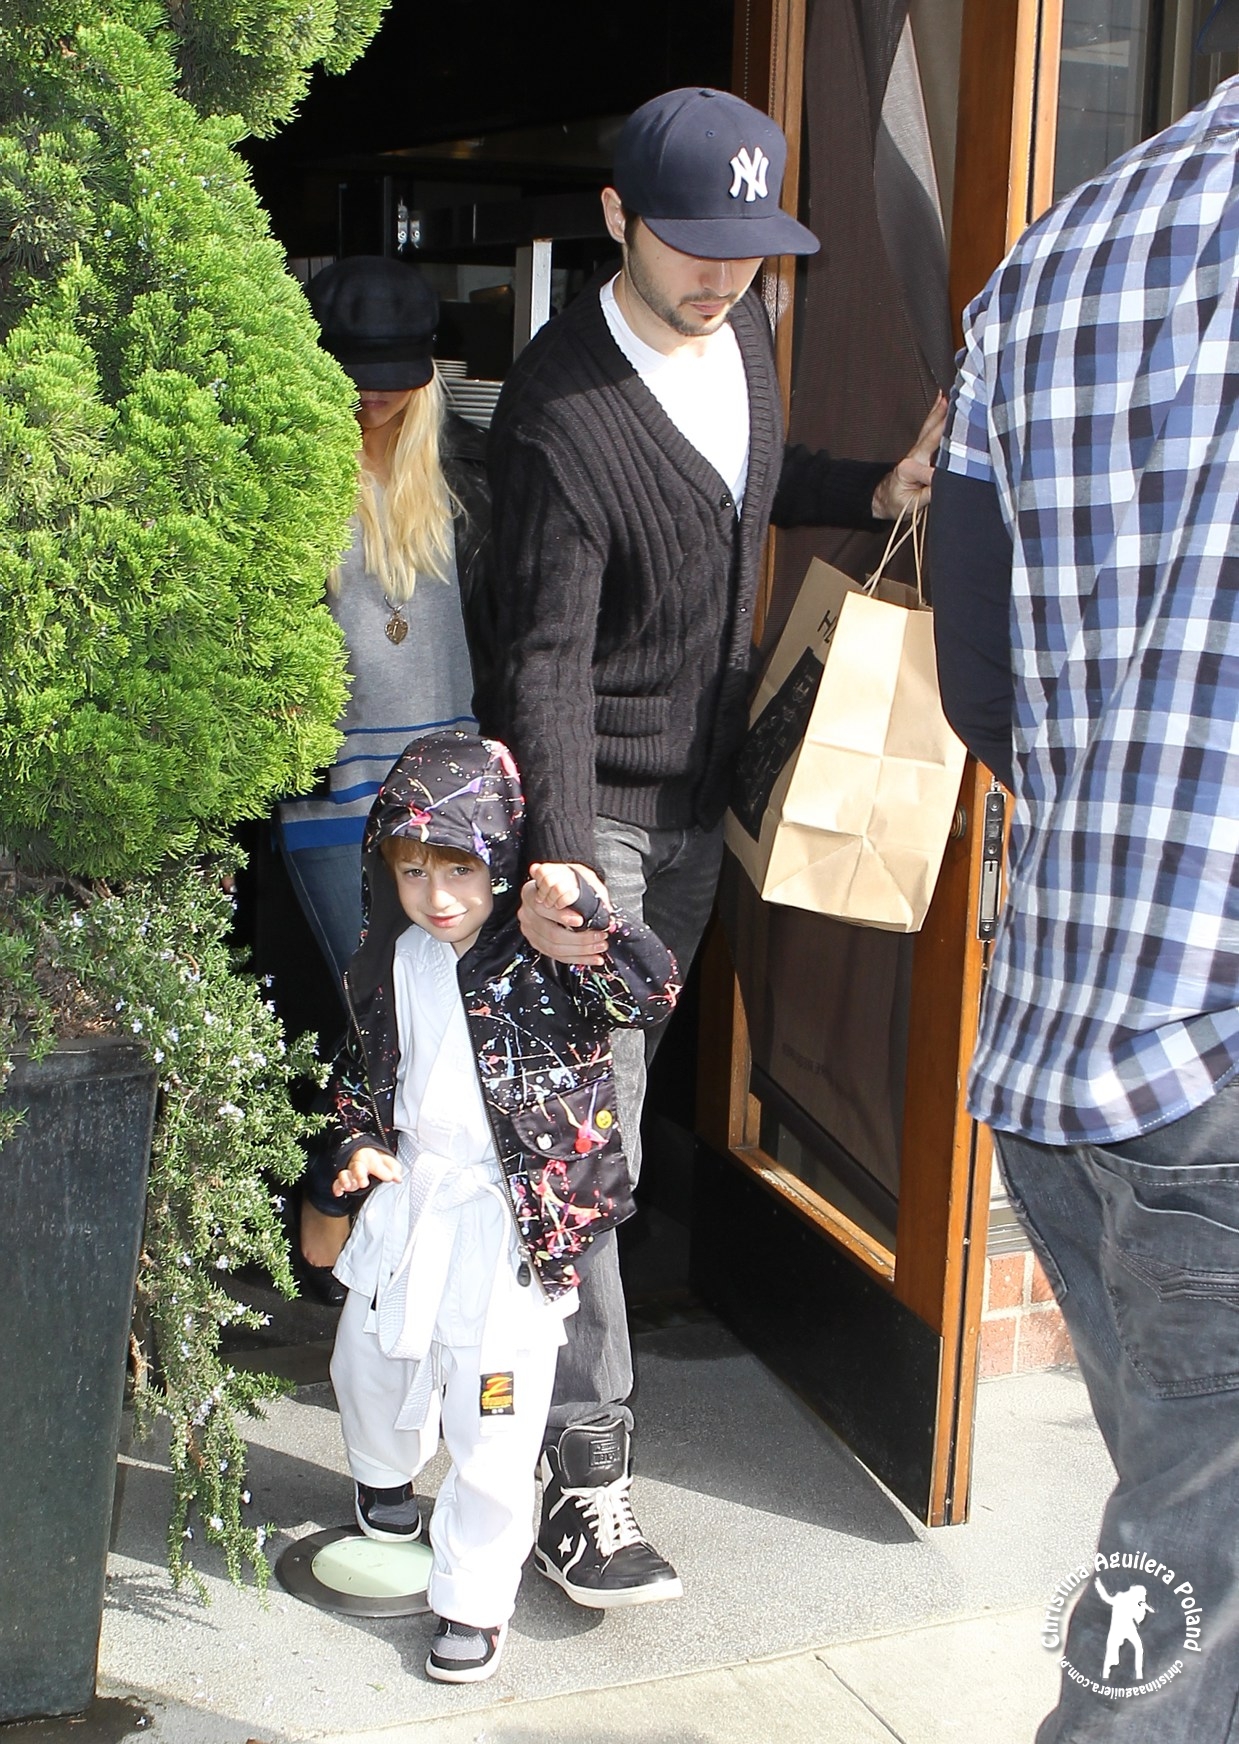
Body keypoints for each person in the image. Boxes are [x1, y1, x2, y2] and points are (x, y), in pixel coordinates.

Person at [478, 84, 945, 1605]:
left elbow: (748, 486)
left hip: (697, 819)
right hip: (599, 828)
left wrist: (863, 488)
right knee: (590, 1144)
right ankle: (580, 1475)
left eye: (748, 247)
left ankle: (490, 1374)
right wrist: (558, 856)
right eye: (691, 242)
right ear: (615, 218)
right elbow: (542, 658)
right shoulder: (559, 413)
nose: (723, 274)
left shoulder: (741, 336)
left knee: (582, 1127)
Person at [929, 72, 1239, 1744]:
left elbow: (976, 690)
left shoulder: (1050, 256)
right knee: (1179, 1604)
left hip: (1067, 1030)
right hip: (1213, 1062)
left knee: (1180, 1566)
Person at [305, 729, 681, 1682]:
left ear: (502, 860)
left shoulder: (550, 958)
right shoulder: (389, 962)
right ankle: (383, 1474)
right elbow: (358, 1075)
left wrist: (594, 917)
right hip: (409, 1202)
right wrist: (352, 1146)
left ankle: (473, 1599)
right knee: (371, 1362)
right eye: (412, 871)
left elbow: (650, 994)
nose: (437, 896)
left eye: (460, 870)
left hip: (511, 1225)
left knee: (495, 1423)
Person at [277, 256, 493, 1294]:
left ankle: (404, 1233)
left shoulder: (465, 475)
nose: (375, 395)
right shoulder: (285, 472)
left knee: (434, 1017)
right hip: (334, 803)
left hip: (445, 798)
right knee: (370, 1020)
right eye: (356, 375)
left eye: (395, 375)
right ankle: (332, 1225)